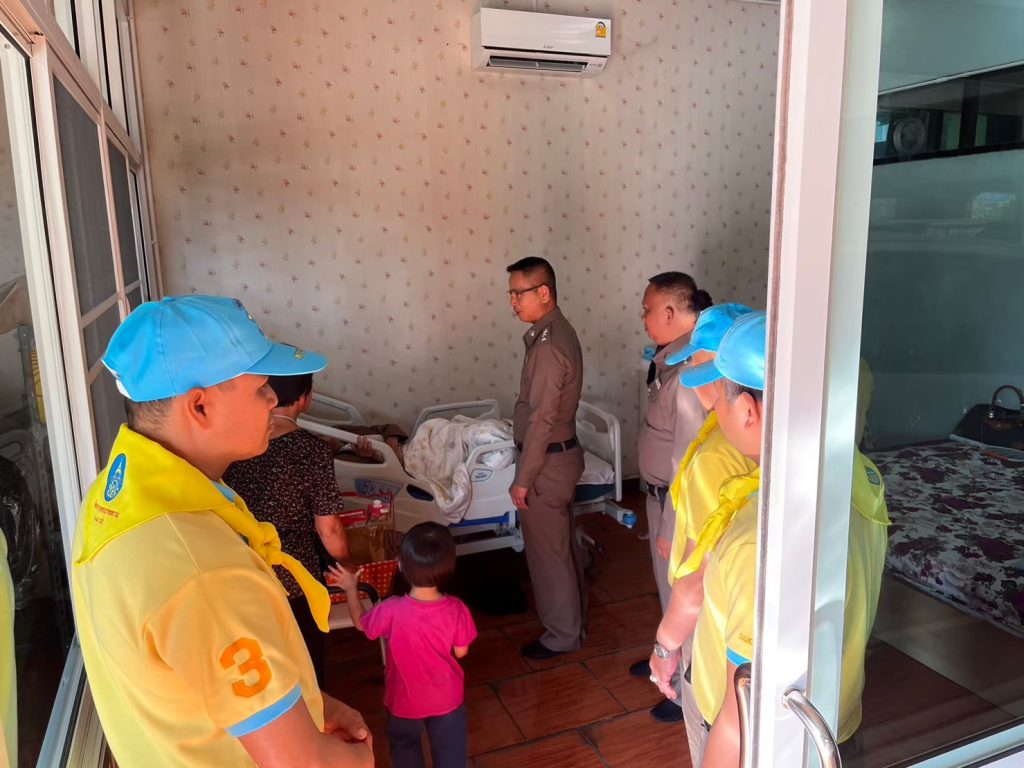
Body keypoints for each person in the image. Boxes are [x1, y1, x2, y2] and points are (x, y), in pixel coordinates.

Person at [70, 295, 373, 768]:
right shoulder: (205, 573)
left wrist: (309, 705)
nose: (273, 399)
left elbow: (199, 676)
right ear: (200, 406)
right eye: (260, 388)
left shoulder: (113, 496)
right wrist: (361, 758)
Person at [672, 312, 889, 766]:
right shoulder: (858, 475)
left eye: (721, 398)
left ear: (747, 410)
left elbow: (741, 719)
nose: (715, 410)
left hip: (776, 744)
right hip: (838, 719)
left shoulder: (762, 535)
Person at [646, 303, 757, 760]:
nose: (691, 378)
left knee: (712, 721)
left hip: (713, 629)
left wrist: (665, 646)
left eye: (696, 364)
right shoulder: (856, 471)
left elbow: (698, 578)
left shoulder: (718, 452)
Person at [224, 372, 351, 686]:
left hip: (244, 570)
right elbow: (329, 528)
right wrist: (346, 562)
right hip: (296, 575)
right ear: (306, 398)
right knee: (305, 662)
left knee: (263, 667)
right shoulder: (311, 450)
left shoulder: (235, 441)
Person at [631, 272, 712, 723]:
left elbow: (687, 459)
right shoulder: (669, 360)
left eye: (647, 310)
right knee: (667, 589)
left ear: (669, 312)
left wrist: (670, 524)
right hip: (657, 497)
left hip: (675, 506)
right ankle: (666, 661)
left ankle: (682, 693)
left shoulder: (689, 372)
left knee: (683, 594)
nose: (643, 318)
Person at [331, 523, 476, 768]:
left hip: (404, 699)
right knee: (450, 753)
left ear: (400, 564)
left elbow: (360, 623)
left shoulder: (390, 610)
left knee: (404, 746)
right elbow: (461, 652)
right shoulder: (456, 609)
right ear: (449, 566)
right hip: (447, 698)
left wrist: (351, 589)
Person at [506, 256, 587, 660]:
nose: (513, 302)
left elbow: (541, 420)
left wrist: (523, 478)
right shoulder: (555, 333)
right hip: (559, 457)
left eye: (518, 293)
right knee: (561, 548)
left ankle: (561, 635)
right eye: (510, 294)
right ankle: (573, 624)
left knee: (548, 556)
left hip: (547, 465)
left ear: (543, 292)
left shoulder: (548, 346)